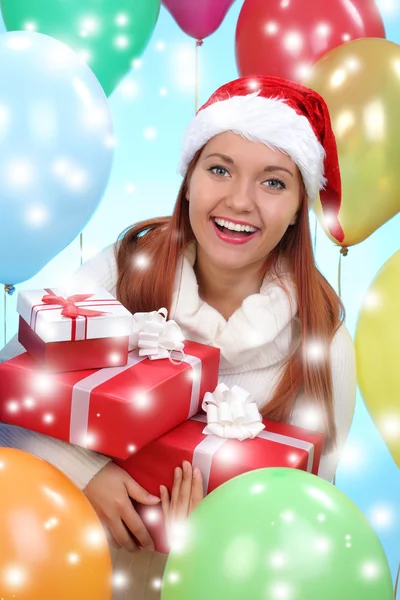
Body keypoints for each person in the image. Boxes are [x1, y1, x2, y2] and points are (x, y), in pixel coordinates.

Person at [0, 75, 357, 599]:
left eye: (273, 182)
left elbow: (303, 521)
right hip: (68, 564)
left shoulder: (323, 344)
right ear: (189, 179)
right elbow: (11, 389)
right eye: (219, 170)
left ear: (300, 205)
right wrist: (85, 473)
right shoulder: (126, 271)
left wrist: (208, 536)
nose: (240, 201)